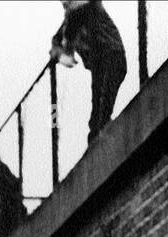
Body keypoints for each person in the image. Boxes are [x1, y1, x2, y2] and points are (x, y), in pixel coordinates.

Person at [50, 0, 126, 142]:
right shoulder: (69, 22)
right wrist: (60, 52)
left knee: (101, 108)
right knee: (97, 112)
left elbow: (79, 14)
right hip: (99, 63)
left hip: (112, 56)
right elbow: (57, 40)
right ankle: (98, 137)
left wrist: (66, 51)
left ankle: (101, 135)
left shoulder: (87, 8)